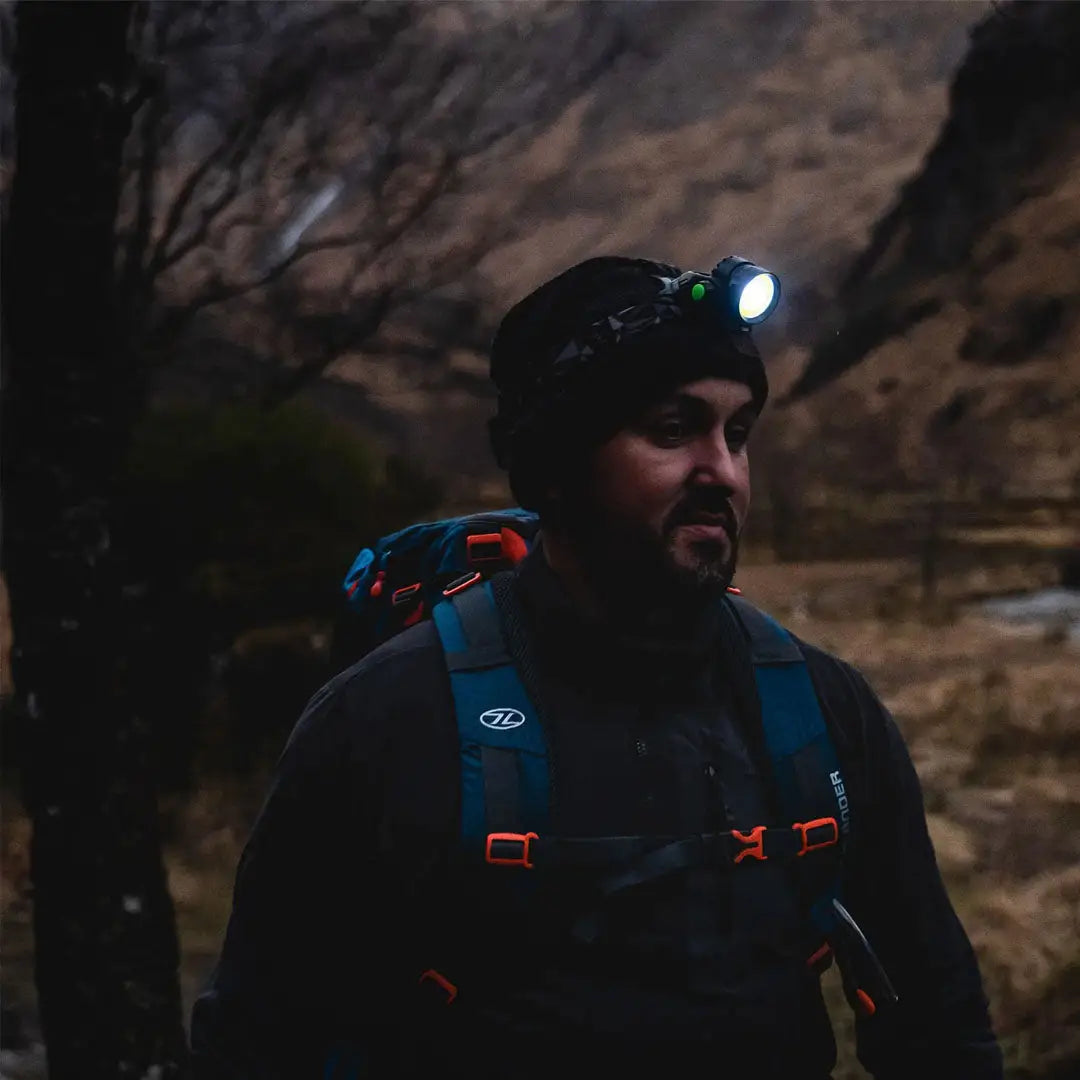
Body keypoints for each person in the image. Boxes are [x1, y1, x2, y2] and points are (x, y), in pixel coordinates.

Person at [191, 256, 1003, 1078]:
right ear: (558, 465)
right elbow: (253, 1048)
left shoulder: (827, 712)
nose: (721, 471)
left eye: (738, 433)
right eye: (672, 429)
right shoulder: (386, 719)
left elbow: (941, 1033)